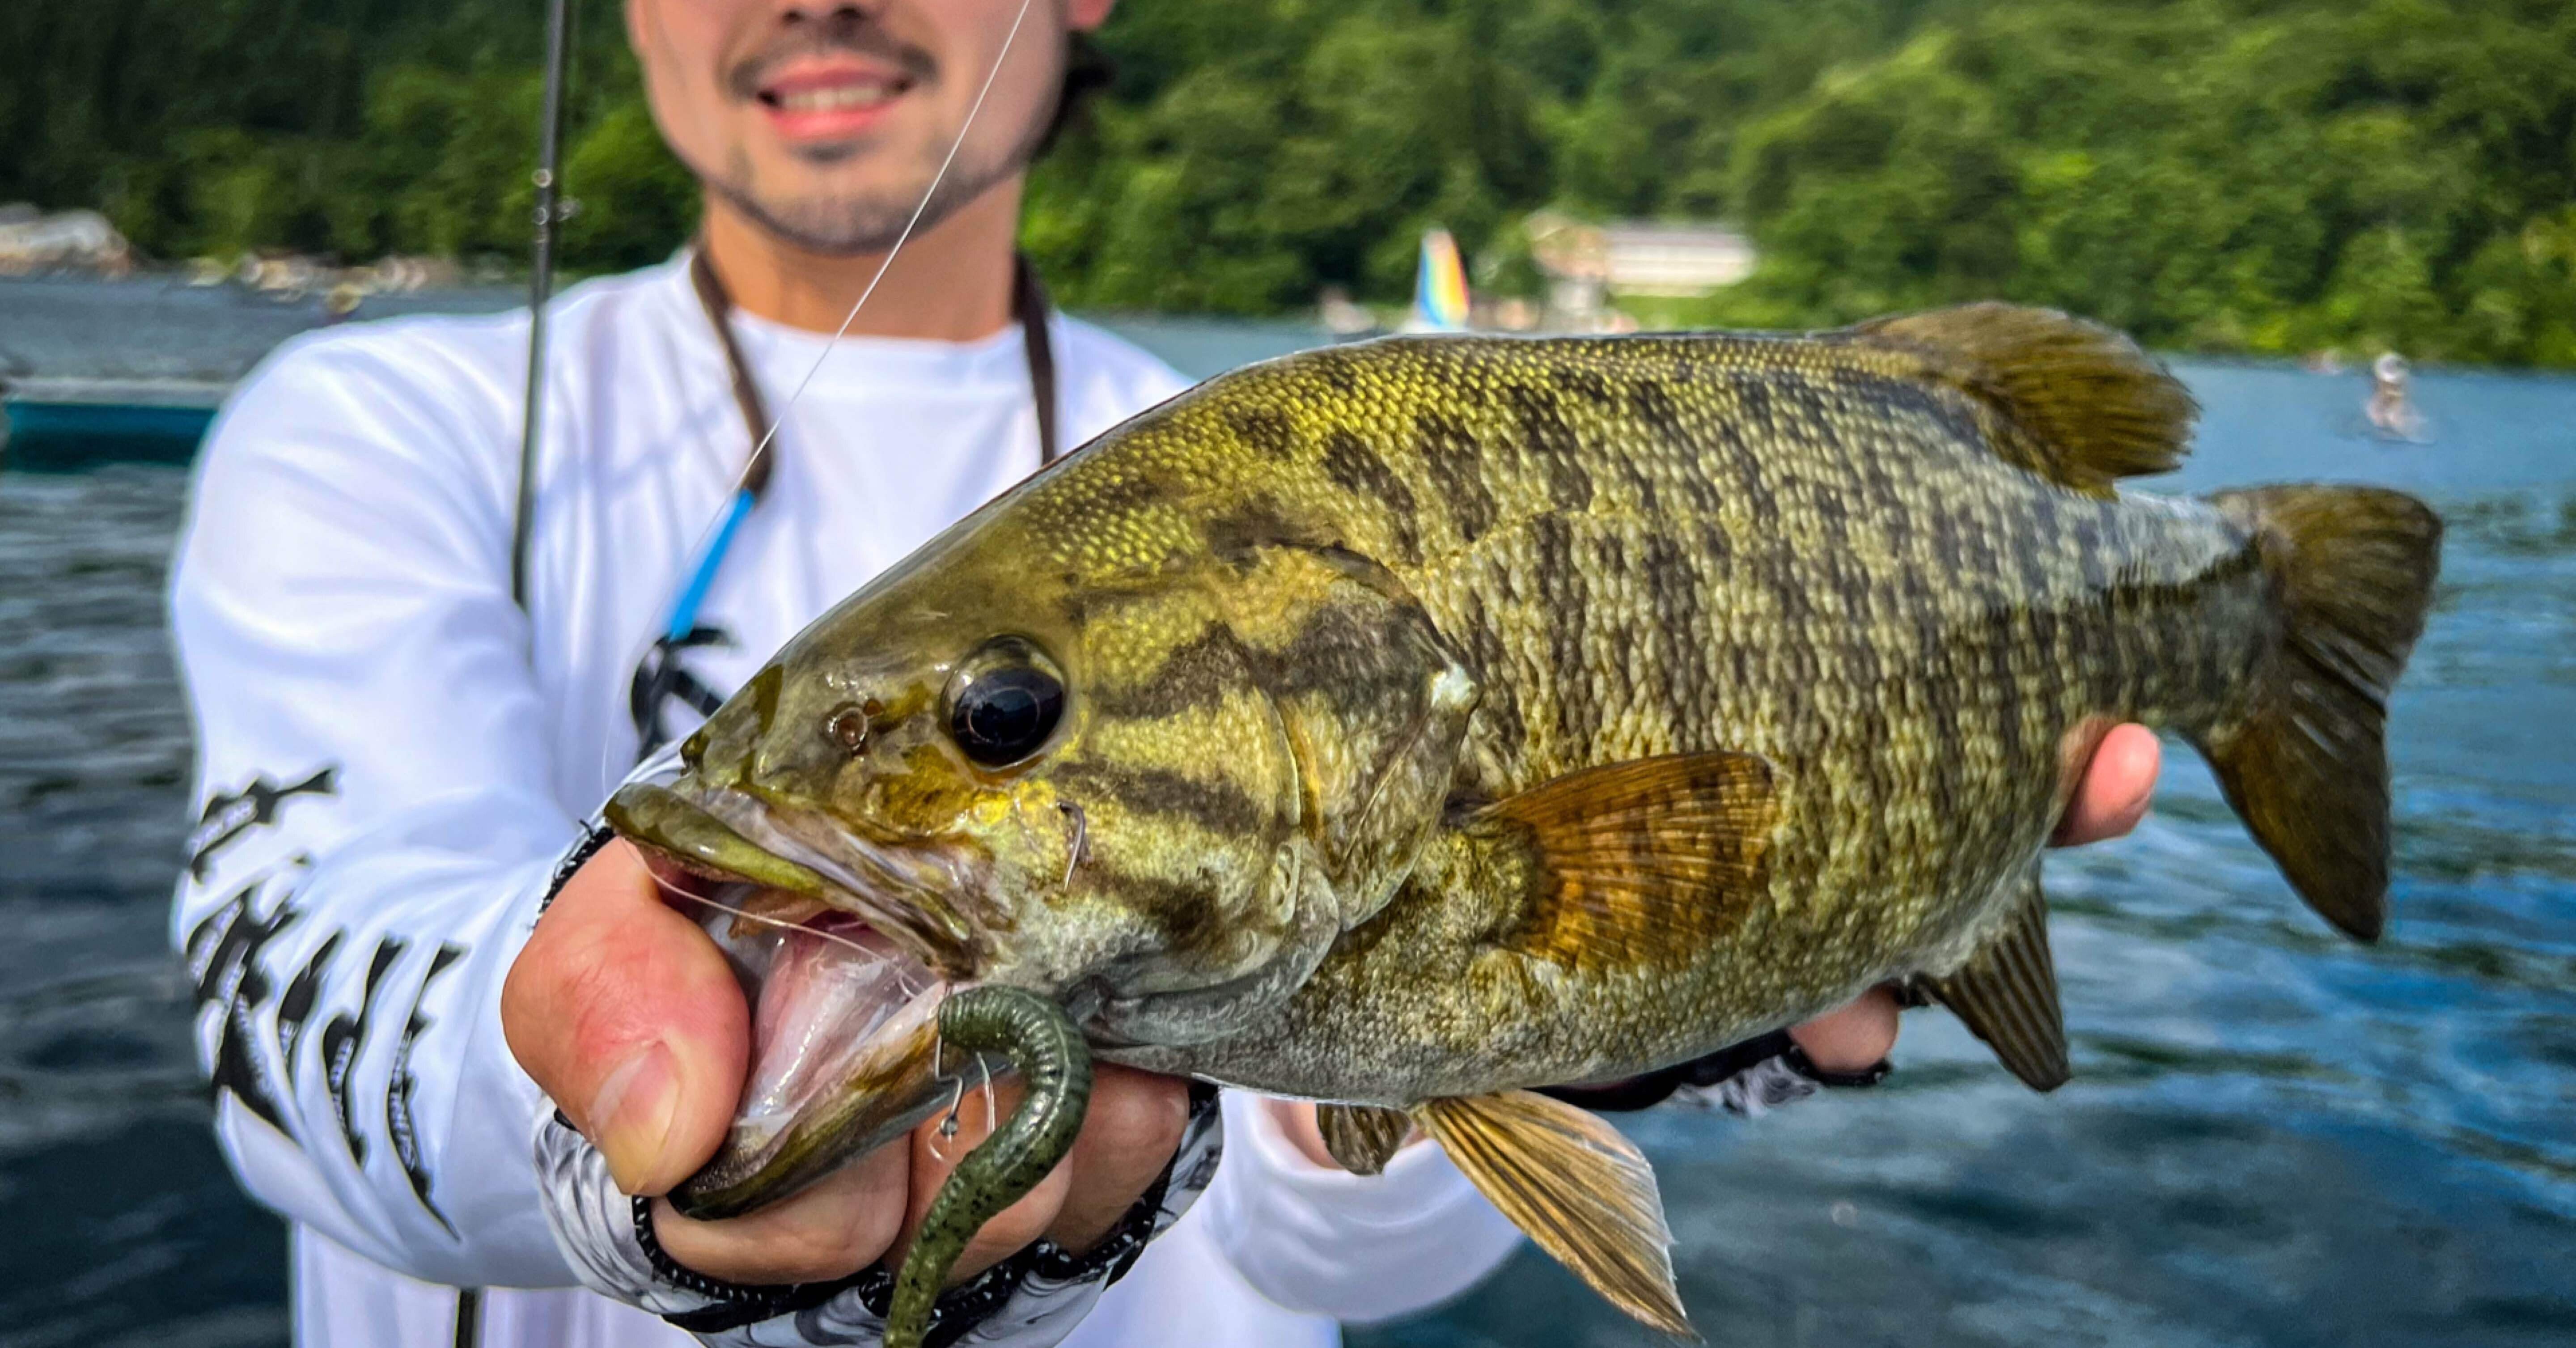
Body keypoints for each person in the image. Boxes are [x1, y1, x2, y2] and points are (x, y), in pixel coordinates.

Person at [168, 2, 2163, 1345]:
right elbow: (299, 973)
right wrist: (599, 1115)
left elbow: (1323, 1240)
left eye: (999, 721)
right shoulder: (377, 425)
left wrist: (1583, 1028)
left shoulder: (1260, 452)